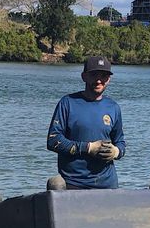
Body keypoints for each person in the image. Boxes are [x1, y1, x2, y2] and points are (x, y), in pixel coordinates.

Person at [46, 55, 125, 189]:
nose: (99, 80)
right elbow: (53, 141)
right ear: (84, 76)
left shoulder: (113, 107)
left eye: (104, 76)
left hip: (108, 185)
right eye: (94, 75)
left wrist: (116, 152)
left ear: (109, 80)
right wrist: (88, 148)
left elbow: (120, 142)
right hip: (73, 184)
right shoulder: (68, 103)